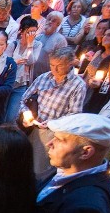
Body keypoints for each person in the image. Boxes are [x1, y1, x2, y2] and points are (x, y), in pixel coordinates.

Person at [18, 47, 87, 178]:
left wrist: (52, 123)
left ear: (70, 64)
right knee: (22, 163)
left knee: (39, 170)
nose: (54, 69)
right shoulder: (44, 78)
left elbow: (75, 115)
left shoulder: (77, 85)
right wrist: (26, 113)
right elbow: (23, 99)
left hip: (53, 134)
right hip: (31, 128)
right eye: (52, 65)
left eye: (59, 66)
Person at [4, 17, 42, 124]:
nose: (31, 35)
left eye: (34, 32)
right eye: (29, 32)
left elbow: (31, 61)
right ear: (22, 31)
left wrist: (30, 45)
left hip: (21, 85)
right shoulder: (13, 44)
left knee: (12, 116)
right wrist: (15, 62)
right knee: (2, 113)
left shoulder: (37, 45)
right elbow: (5, 62)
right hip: (8, 82)